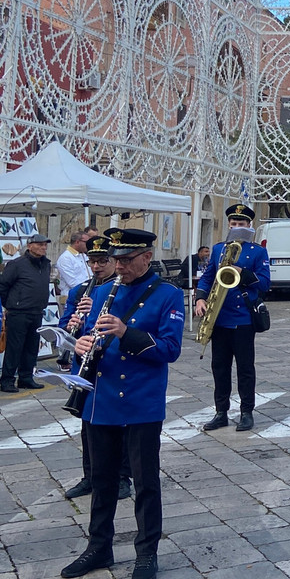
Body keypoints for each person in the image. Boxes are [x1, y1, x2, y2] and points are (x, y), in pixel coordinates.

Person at [61, 227, 184, 579]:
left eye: (127, 260)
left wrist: (124, 333)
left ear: (147, 257)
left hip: (141, 401)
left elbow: (170, 350)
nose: (119, 267)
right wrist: (80, 344)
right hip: (101, 400)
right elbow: (88, 336)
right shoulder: (100, 292)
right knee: (102, 481)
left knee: (145, 483)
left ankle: (147, 552)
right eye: (116, 260)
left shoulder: (167, 295)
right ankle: (98, 548)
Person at [59, 236, 132, 501]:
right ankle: (90, 476)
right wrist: (75, 327)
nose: (97, 266)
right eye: (93, 261)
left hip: (114, 363)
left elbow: (129, 323)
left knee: (119, 422)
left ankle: (123, 477)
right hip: (86, 364)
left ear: (114, 262)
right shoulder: (81, 290)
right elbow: (66, 325)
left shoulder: (123, 288)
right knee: (87, 421)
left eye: (104, 261)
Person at [195, 203, 271, 432]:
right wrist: (200, 298)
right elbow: (208, 277)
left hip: (243, 318)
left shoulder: (258, 251)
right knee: (219, 366)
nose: (237, 227)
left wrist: (242, 273)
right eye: (233, 223)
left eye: (241, 224)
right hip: (219, 316)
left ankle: (247, 412)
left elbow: (265, 284)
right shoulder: (218, 249)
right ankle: (221, 412)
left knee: (245, 368)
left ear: (249, 226)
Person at [0, 233, 52, 392]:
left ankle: (26, 378)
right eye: (39, 244)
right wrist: (10, 304)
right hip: (18, 312)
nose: (43, 247)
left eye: (45, 245)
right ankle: (7, 380)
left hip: (37, 311)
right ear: (29, 246)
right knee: (14, 348)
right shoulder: (17, 264)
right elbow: (3, 285)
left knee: (31, 347)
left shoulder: (46, 264)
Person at [56, 231, 91, 304]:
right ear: (77, 242)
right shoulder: (65, 258)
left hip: (86, 296)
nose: (88, 245)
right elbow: (72, 282)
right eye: (86, 242)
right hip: (70, 298)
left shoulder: (84, 255)